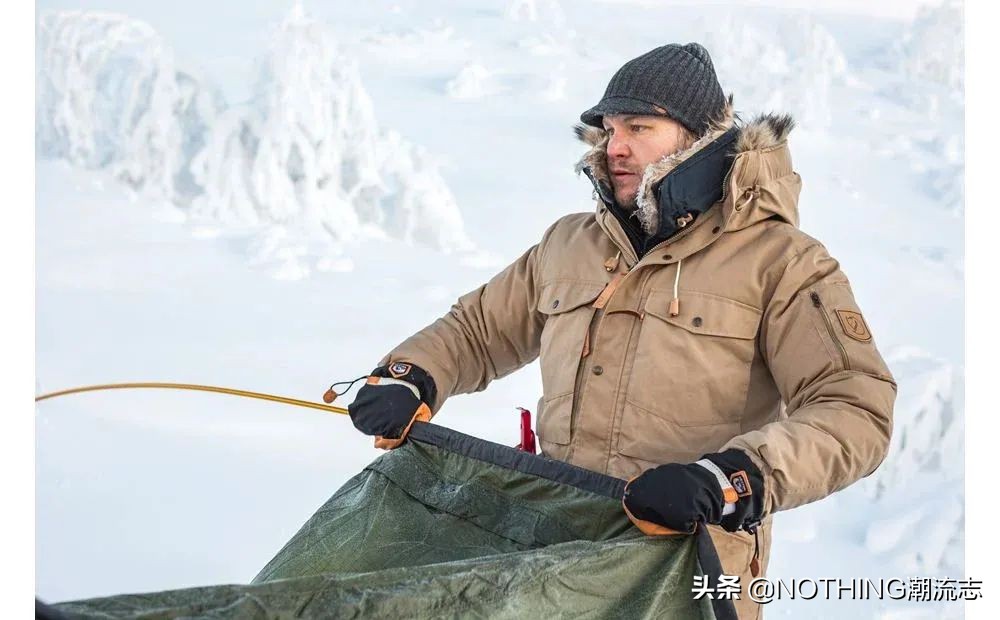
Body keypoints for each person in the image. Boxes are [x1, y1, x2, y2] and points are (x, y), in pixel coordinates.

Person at [347, 42, 896, 619]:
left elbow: (855, 410)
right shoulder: (570, 243)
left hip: (685, 571)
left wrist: (732, 479)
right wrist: (412, 375)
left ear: (699, 136)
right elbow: (478, 331)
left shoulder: (782, 262)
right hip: (553, 559)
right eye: (610, 129)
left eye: (639, 127)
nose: (615, 147)